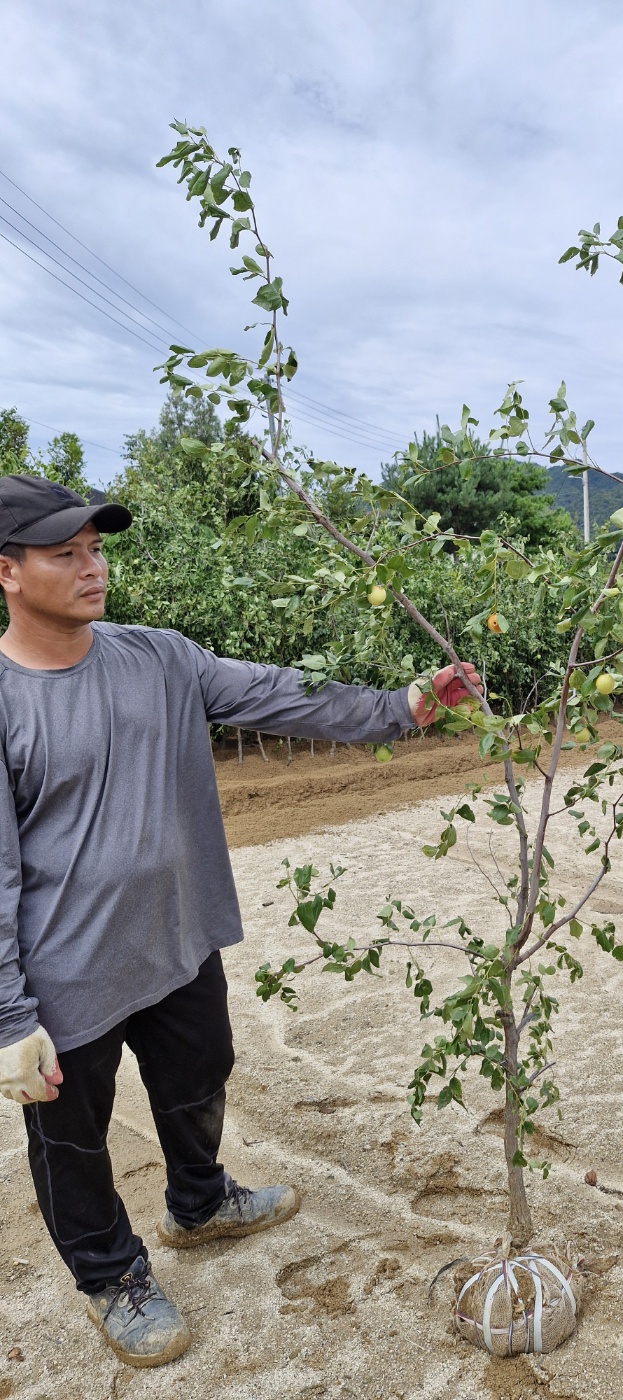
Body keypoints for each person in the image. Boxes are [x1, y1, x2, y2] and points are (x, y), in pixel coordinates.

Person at [0, 473, 481, 1368]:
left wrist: (401, 707)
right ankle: (111, 1276)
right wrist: (10, 1017)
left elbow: (281, 694)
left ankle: (199, 1201)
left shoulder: (160, 657)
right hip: (68, 977)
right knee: (72, 1143)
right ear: (7, 573)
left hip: (178, 938)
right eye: (65, 553)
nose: (92, 566)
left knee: (200, 1077)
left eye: (97, 548)